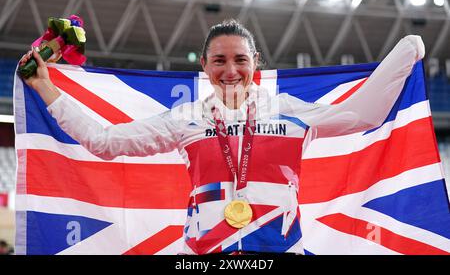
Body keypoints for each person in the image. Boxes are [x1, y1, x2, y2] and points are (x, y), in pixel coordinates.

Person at [18, 19, 425, 255]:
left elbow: (364, 115)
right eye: (220, 60)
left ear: (256, 63)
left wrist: (407, 51)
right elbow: (105, 142)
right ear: (205, 65)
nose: (231, 70)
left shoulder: (290, 112)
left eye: (240, 60)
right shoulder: (185, 119)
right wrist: (45, 87)